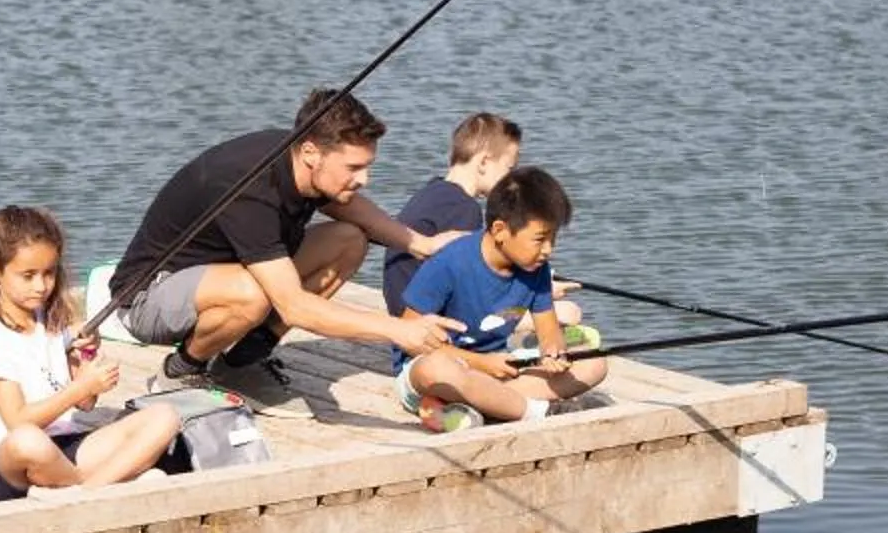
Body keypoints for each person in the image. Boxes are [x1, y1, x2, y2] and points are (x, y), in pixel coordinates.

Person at [109, 87, 464, 418]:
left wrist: (423, 244)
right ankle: (179, 372)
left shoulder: (299, 158)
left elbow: (351, 209)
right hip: (146, 297)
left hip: (220, 277)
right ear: (311, 152)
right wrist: (398, 330)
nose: (364, 179)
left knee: (349, 240)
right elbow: (294, 305)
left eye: (367, 166)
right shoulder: (251, 185)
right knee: (253, 294)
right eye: (354, 168)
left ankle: (242, 362)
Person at [0, 206, 186, 501]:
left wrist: (87, 367)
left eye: (49, 273)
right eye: (27, 275)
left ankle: (85, 490)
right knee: (27, 441)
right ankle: (106, 482)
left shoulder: (50, 321)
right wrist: (81, 386)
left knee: (164, 416)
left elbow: (85, 404)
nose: (41, 286)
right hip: (13, 465)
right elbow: (18, 422)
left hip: (66, 445)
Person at [395, 166, 608, 430]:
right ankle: (538, 411)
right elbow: (409, 340)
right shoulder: (449, 264)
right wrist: (481, 364)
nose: (548, 250)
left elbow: (548, 331)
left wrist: (554, 353)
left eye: (553, 239)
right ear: (499, 230)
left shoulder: (536, 269)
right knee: (437, 369)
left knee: (594, 363)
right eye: (540, 239)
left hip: (499, 366)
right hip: (434, 366)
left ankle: (483, 406)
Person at [381, 112, 522, 314]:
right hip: (428, 318)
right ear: (483, 162)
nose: (511, 179)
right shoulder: (464, 209)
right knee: (565, 312)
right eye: (509, 169)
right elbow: (471, 285)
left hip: (401, 307)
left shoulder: (433, 191)